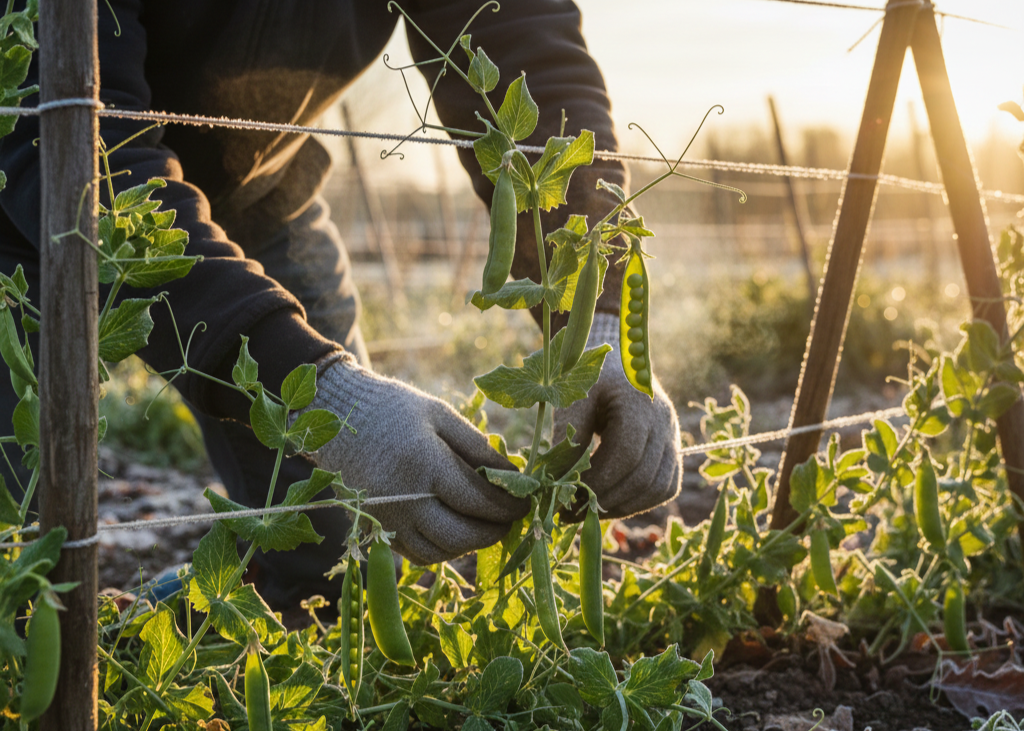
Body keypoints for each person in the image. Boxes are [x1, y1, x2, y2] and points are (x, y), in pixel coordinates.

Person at [0, 0, 681, 608]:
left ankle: (218, 608)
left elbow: (521, 38)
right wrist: (319, 391)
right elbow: (65, 140)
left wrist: (599, 306)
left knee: (344, 548)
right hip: (27, 187)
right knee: (14, 565)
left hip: (254, 188)